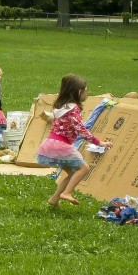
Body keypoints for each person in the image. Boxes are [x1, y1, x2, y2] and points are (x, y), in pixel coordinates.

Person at [35, 74, 111, 207]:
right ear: (78, 92)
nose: (87, 93)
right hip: (60, 145)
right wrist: (99, 142)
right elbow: (81, 129)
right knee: (84, 168)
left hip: (50, 144)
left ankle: (54, 199)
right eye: (86, 90)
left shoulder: (63, 107)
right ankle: (67, 193)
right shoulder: (73, 109)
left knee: (72, 173)